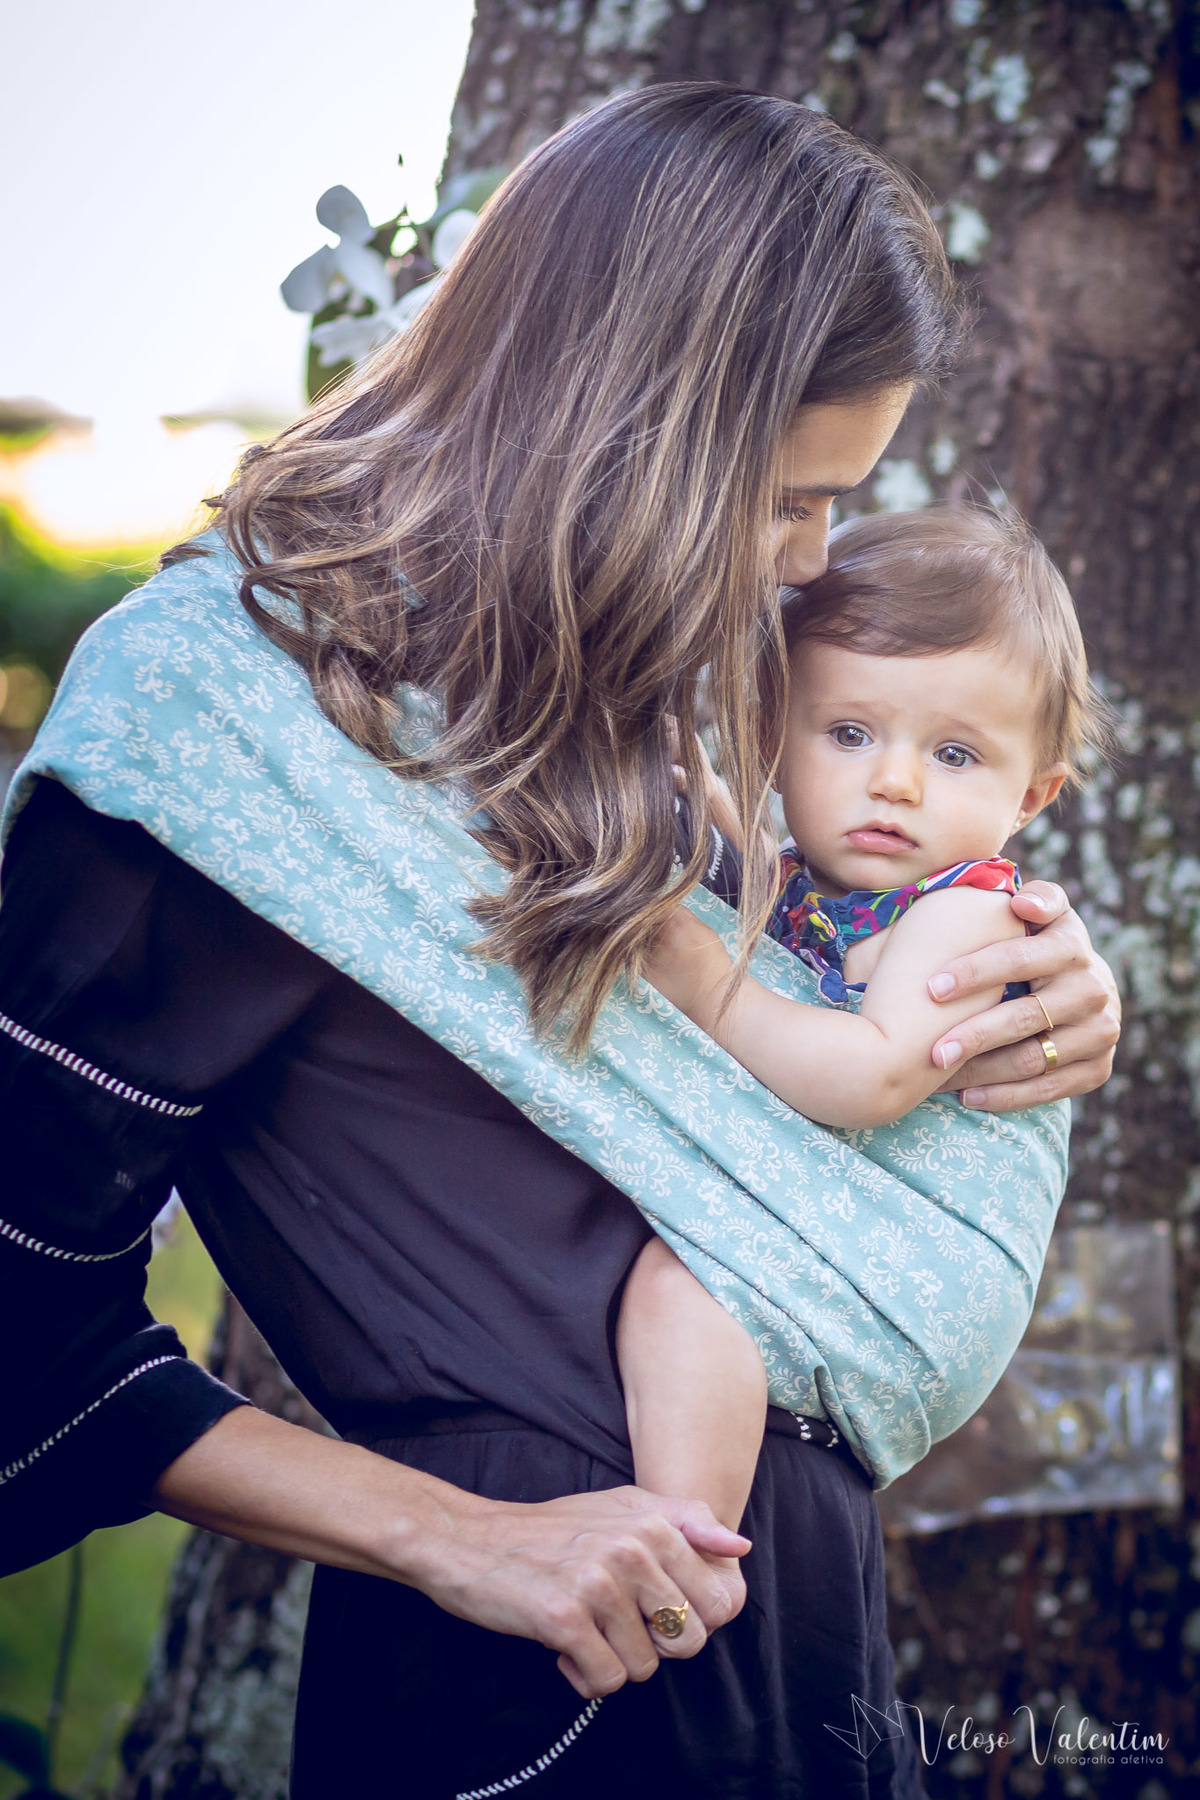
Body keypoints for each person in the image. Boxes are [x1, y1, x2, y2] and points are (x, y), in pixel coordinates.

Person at [0, 88, 1120, 1798]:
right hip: (547, 1661)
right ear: (630, 426)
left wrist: (1023, 989)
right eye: (788, 500)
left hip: (797, 1646)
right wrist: (461, 1542)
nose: (811, 566)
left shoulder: (629, 711)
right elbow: (27, 1336)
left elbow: (789, 1044)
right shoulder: (212, 734)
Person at [620, 505, 1110, 1536]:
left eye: (956, 755)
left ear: (1034, 792)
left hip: (926, 1275)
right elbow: (780, 909)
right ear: (771, 735)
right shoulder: (825, 876)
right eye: (848, 733)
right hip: (853, 1228)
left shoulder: (967, 909)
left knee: (686, 1289)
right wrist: (710, 800)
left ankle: (682, 1544)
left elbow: (872, 1075)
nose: (893, 781)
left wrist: (707, 980)